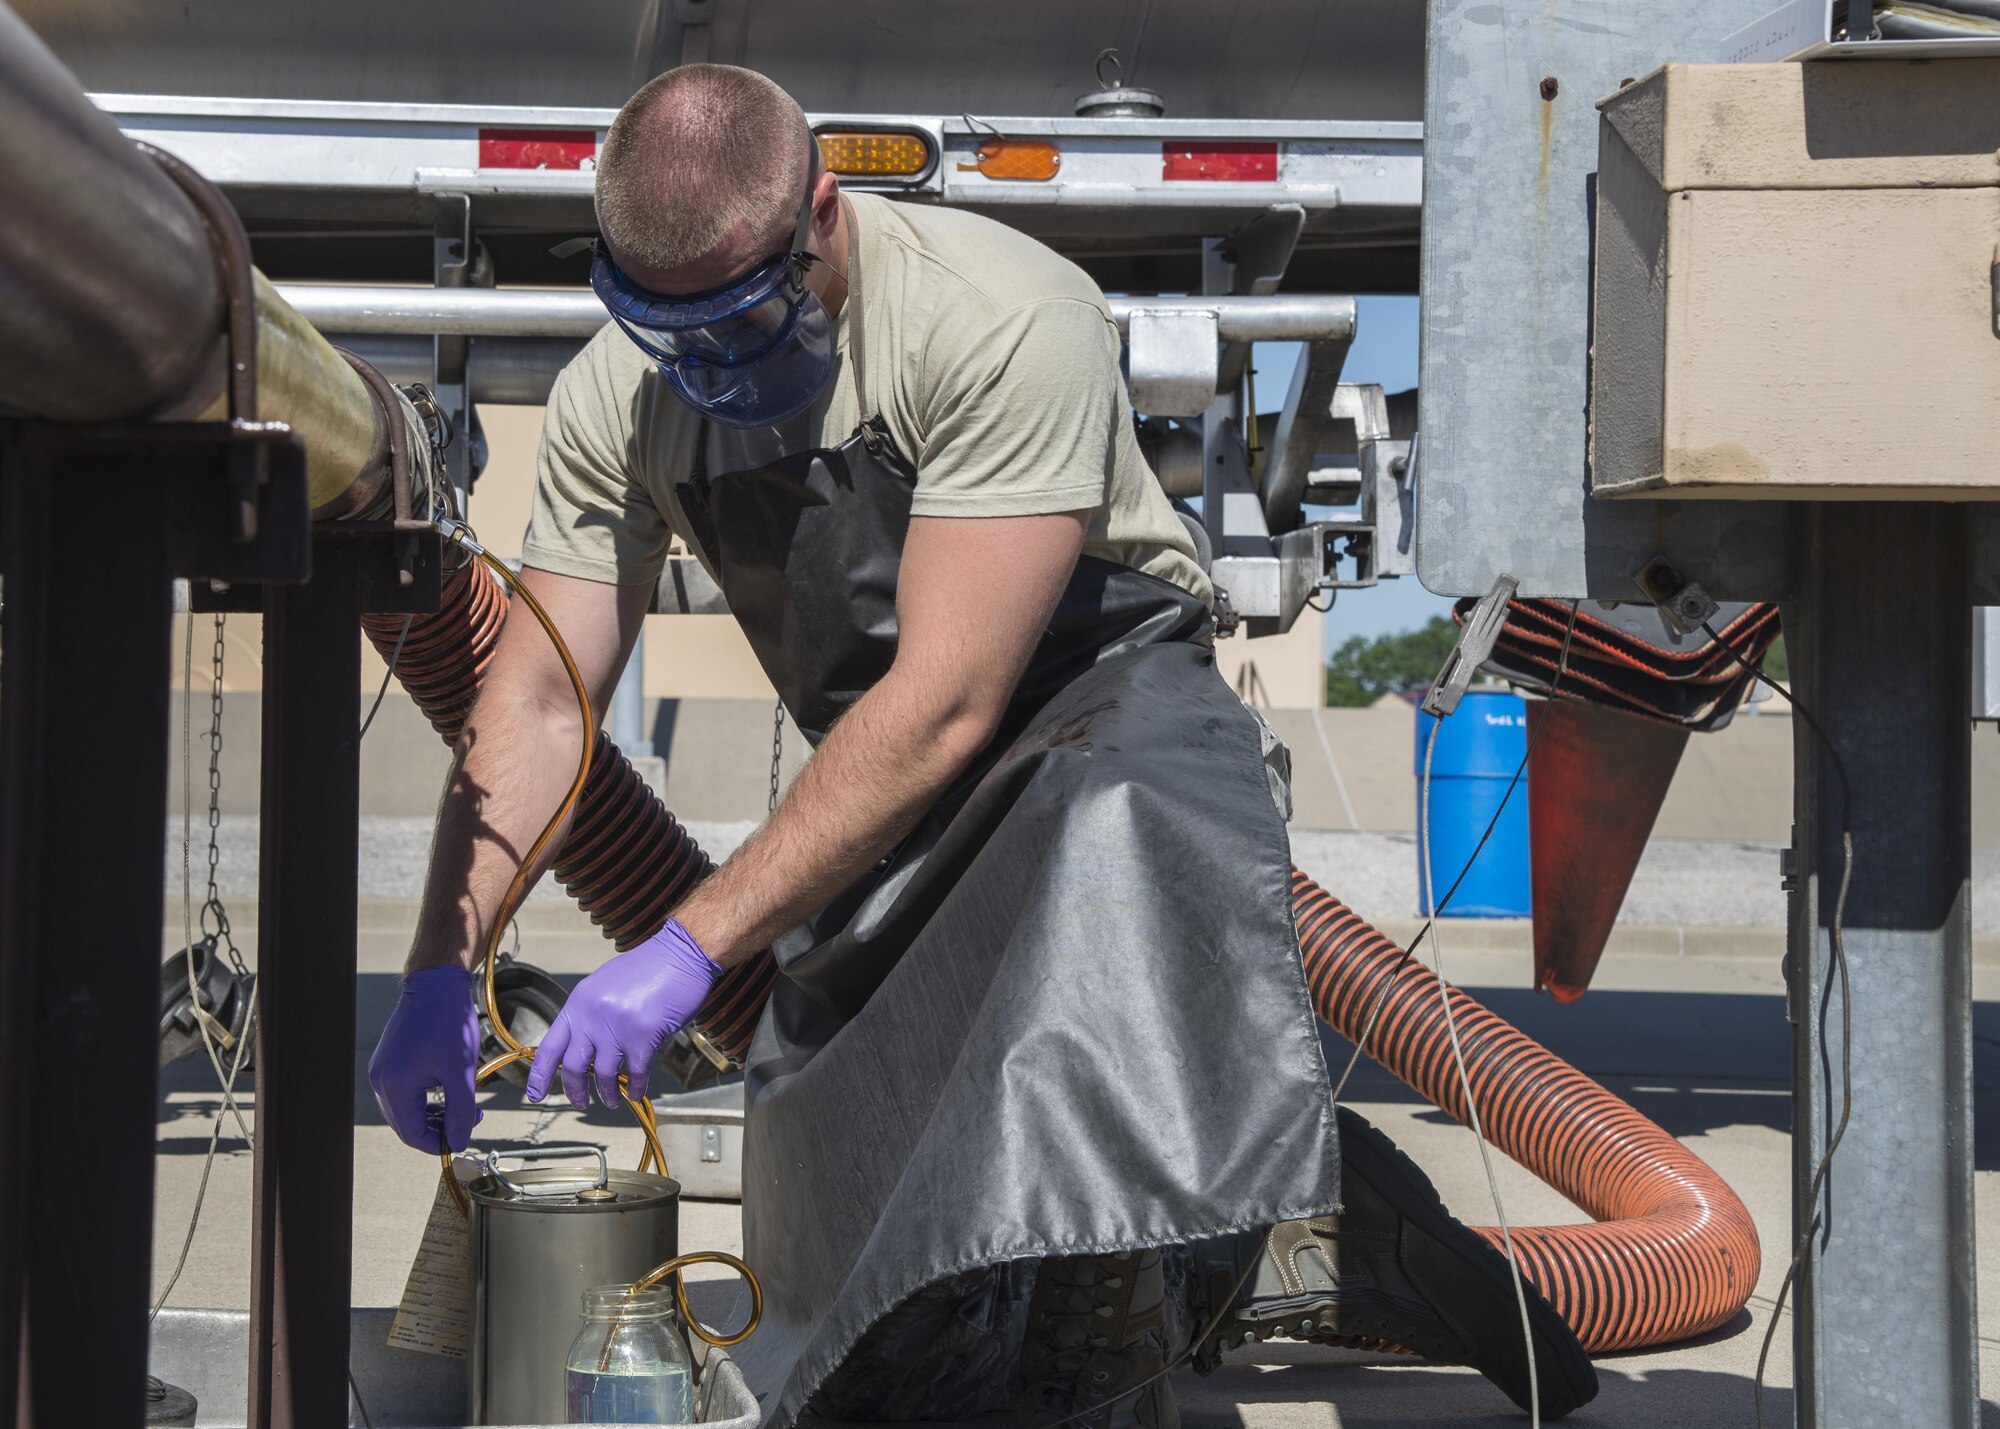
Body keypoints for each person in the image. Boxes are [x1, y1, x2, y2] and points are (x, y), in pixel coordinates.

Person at [367, 64, 1597, 1427]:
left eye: (743, 323)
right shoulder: (623, 398)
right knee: (850, 1186)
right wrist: (442, 961)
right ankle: (1259, 1240)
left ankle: (1184, 1295)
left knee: (1085, 981)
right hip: (884, 771)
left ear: (822, 214)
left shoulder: (997, 317)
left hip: (1095, 718)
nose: (711, 373)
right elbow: (540, 701)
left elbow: (954, 697)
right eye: (674, 337)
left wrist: (686, 944)